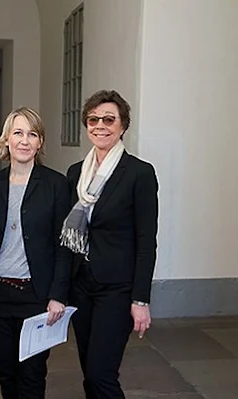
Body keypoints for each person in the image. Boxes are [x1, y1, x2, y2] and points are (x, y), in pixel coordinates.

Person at [61, 90, 159, 399]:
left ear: (122, 126)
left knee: (102, 374)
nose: (100, 125)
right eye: (93, 119)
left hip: (116, 288)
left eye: (108, 119)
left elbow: (146, 241)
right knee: (89, 373)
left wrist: (140, 299)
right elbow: (67, 238)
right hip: (82, 285)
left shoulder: (139, 174)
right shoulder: (76, 173)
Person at [0, 107, 72, 399]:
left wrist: (58, 294)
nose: (24, 140)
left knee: (32, 374)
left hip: (36, 296)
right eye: (17, 133)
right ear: (6, 139)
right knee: (6, 370)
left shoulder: (57, 185)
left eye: (32, 134)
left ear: (40, 142)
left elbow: (65, 245)